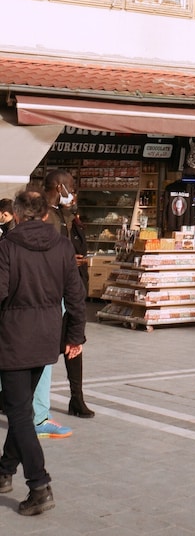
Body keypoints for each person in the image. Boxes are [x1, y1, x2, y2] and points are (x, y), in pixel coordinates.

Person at [0, 188, 87, 515]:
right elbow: (75, 295)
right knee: (21, 407)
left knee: (19, 414)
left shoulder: (7, 247)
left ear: (18, 215)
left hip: (14, 339)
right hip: (47, 338)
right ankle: (4, 470)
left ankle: (39, 485)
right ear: (46, 214)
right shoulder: (63, 247)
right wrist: (76, 335)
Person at [43, 169, 95, 419]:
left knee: (75, 342)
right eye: (71, 187)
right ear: (59, 187)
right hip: (52, 290)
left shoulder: (64, 215)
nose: (73, 192)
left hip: (71, 288)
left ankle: (77, 398)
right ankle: (32, 405)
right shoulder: (45, 216)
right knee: (47, 348)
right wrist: (66, 261)